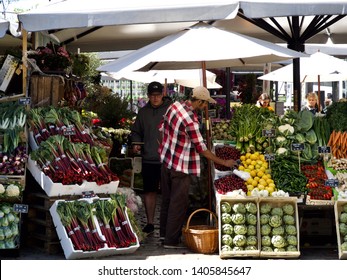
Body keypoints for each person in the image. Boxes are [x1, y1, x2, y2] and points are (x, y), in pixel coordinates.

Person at [158, 86, 238, 249]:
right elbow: (202, 149)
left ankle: (163, 234)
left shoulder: (175, 106)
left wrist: (166, 147)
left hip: (166, 161)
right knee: (178, 203)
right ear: (199, 101)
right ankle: (171, 241)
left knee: (166, 200)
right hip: (181, 166)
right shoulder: (191, 121)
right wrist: (224, 163)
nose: (205, 107)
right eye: (205, 104)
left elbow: (161, 128)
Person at [131, 81, 172, 235]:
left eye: (158, 95)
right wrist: (136, 143)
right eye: (152, 95)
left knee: (168, 192)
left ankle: (168, 224)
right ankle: (149, 223)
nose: (155, 98)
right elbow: (136, 131)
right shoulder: (143, 112)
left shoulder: (170, 110)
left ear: (163, 95)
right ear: (148, 96)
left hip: (168, 159)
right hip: (149, 158)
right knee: (150, 192)